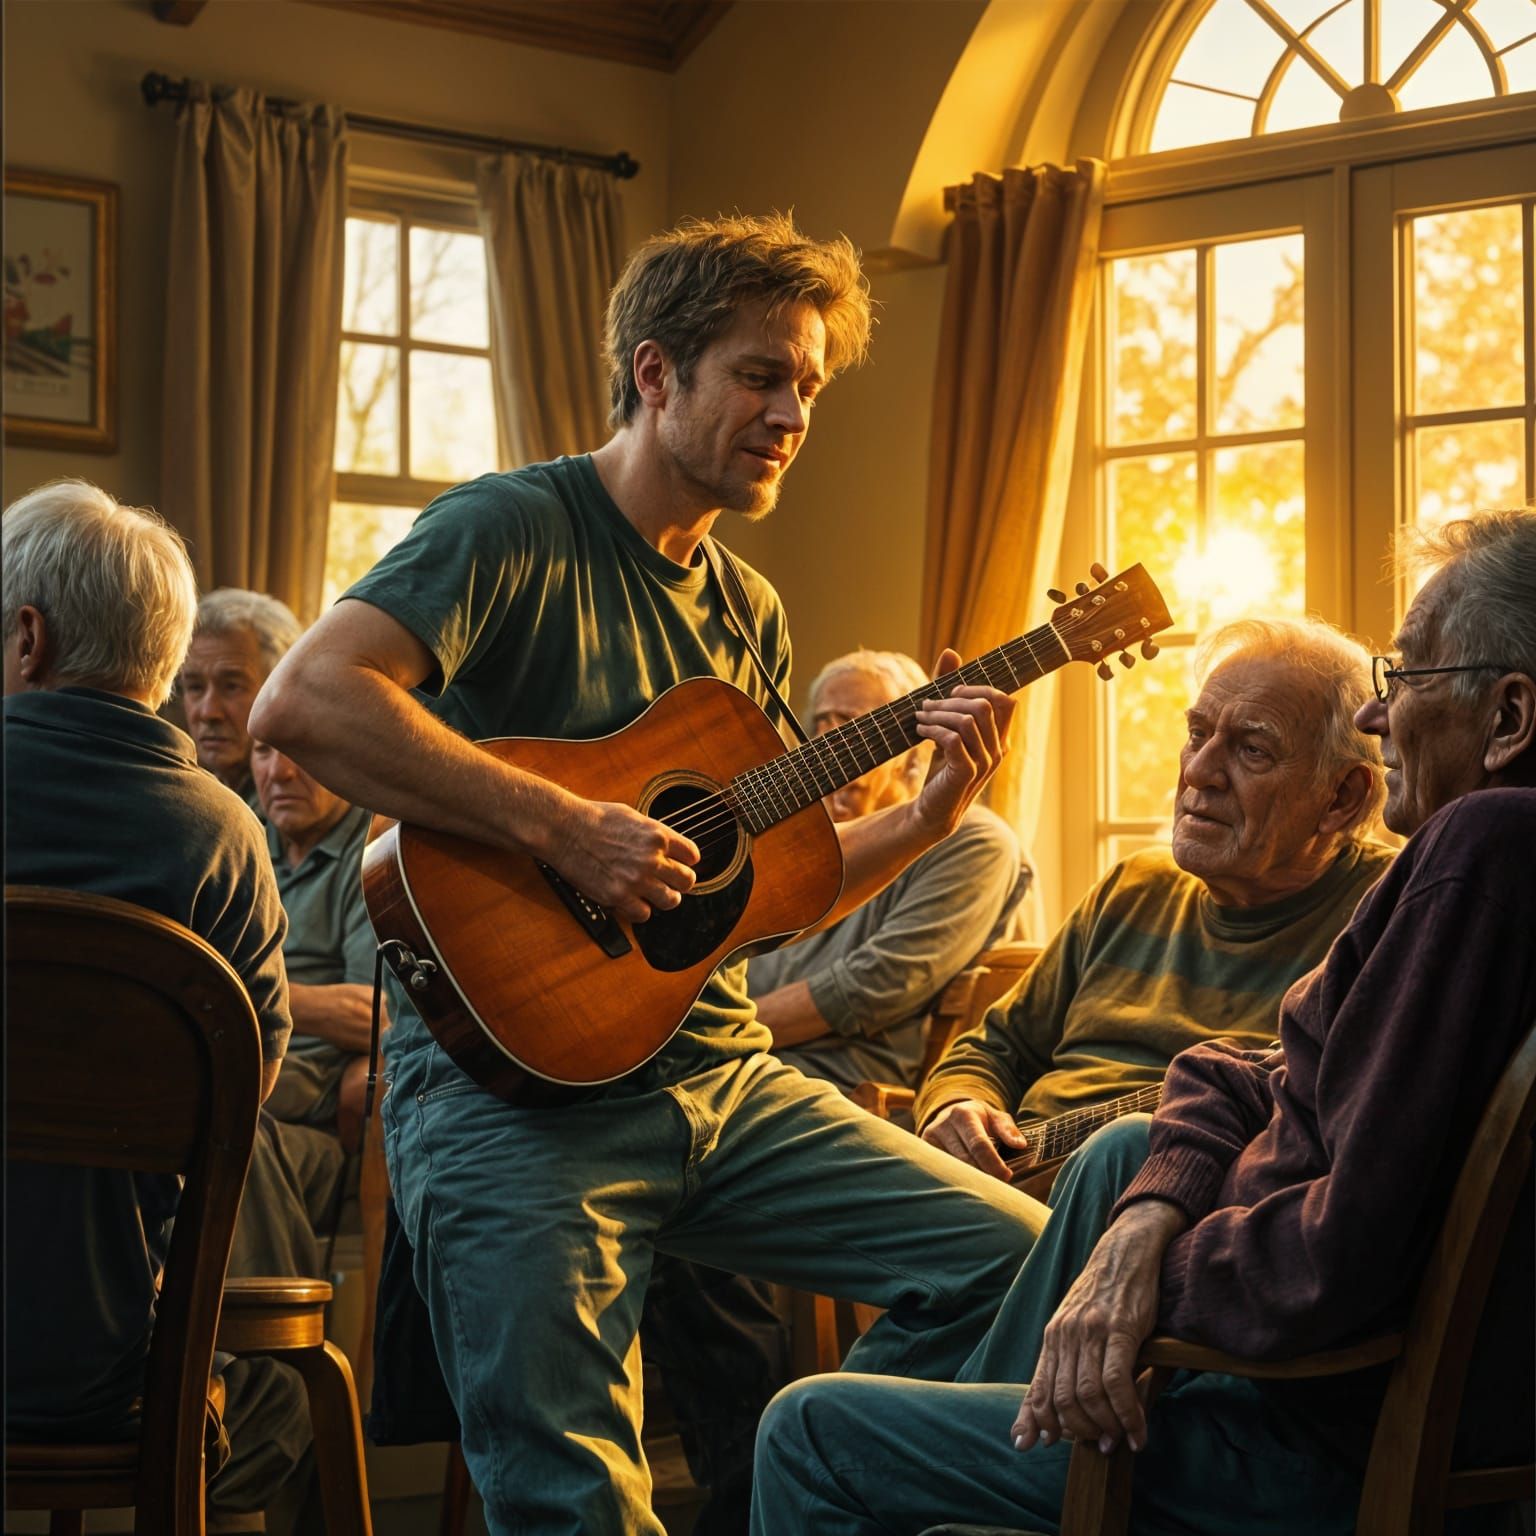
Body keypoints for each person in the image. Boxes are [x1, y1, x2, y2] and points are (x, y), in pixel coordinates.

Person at [251, 212, 1047, 1535]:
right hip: (516, 1102)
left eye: (809, 387)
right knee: (576, 1499)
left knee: (1016, 1266)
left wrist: (928, 819)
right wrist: (565, 828)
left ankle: (812, 1471)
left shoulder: (749, 609)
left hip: (718, 1074)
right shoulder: (508, 529)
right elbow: (307, 702)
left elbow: (764, 888)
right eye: (761, 375)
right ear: (655, 373)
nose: (792, 412)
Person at [751, 508, 1536, 1535]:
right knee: (1122, 1154)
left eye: (1407, 682)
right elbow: (1260, 1072)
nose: (1384, 720)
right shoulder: (1445, 867)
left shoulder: (1476, 851)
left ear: (1510, 716)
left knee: (807, 1427)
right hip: (1255, 1380)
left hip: (1287, 1427)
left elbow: (1342, 1249)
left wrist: (1141, 1277)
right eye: (1196, 734)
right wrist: (1146, 1208)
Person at [2, 480, 313, 1530]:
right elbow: (247, 1093)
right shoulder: (226, 840)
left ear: (28, 638)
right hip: (121, 1374)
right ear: (163, 661)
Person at [917, 616, 1393, 1181]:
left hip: (1152, 1209)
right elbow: (995, 1048)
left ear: (1341, 797)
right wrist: (960, 1105)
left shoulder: (1386, 915)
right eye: (1197, 734)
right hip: (1006, 1182)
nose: (1198, 771)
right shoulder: (1135, 886)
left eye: (1252, 750)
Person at [749, 647, 1029, 1091]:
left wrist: (719, 1032)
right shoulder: (790, 840)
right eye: (820, 725)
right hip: (731, 1066)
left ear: (914, 752)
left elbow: (871, 987)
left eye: (853, 728)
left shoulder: (973, 839)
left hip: (828, 1087)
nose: (826, 746)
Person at [251, 738, 380, 1151]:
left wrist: (244, 997)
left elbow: (379, 1017)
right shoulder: (242, 830)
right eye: (263, 750)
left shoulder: (377, 852)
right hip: (237, 1054)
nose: (280, 772)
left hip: (314, 1075)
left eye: (302, 749)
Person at [179, 587, 302, 804]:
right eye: (195, 687)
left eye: (232, 686)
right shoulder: (180, 793)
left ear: (283, 690)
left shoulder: (298, 803)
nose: (208, 713)